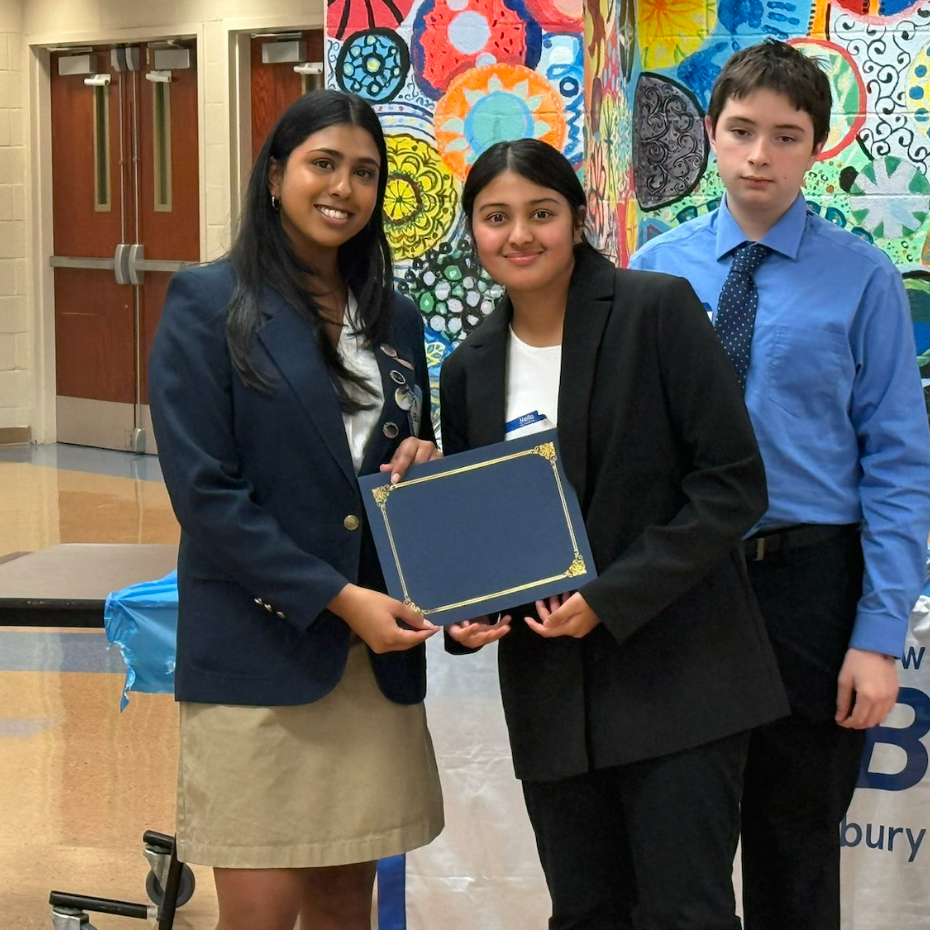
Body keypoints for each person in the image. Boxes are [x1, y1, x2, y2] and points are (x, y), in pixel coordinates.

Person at [440, 137, 789, 930]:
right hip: (553, 695)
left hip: (679, 675)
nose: (519, 234)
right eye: (495, 217)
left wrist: (610, 597)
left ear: (578, 219)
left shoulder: (655, 310)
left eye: (540, 213)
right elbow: (481, 528)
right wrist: (466, 613)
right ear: (474, 232)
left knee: (685, 915)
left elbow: (732, 484)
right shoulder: (468, 368)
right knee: (584, 912)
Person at [629, 39, 930, 930]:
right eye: (742, 130)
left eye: (786, 136)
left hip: (809, 589)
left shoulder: (863, 277)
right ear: (712, 132)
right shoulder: (653, 270)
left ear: (816, 146)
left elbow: (898, 463)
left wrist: (878, 635)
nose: (760, 155)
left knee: (796, 857)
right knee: (678, 856)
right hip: (684, 585)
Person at [148, 90, 444, 930]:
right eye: (324, 164)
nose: (344, 188)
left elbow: (386, 463)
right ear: (276, 175)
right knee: (261, 910)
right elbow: (206, 494)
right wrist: (338, 597)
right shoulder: (209, 303)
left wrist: (422, 459)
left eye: (365, 172)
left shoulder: (395, 318)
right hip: (259, 646)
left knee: (346, 898)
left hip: (368, 662)